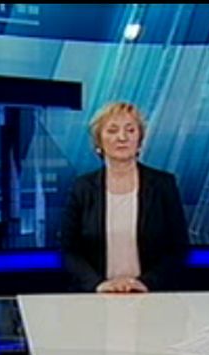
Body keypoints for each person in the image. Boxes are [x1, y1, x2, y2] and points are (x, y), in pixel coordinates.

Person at [60, 101, 189, 293]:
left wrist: (146, 283)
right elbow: (69, 251)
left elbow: (179, 249)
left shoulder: (163, 185)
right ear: (98, 142)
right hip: (97, 296)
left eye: (130, 130)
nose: (122, 137)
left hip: (152, 295)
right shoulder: (83, 187)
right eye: (112, 131)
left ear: (139, 141)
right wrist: (98, 285)